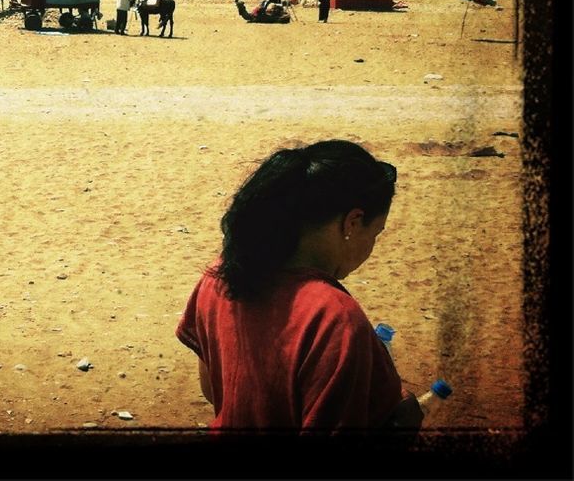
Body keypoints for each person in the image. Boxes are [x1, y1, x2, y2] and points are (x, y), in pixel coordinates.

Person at [176, 140, 421, 432]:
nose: (371, 247)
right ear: (353, 222)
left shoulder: (219, 275)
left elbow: (212, 389)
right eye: (376, 233)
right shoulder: (335, 317)